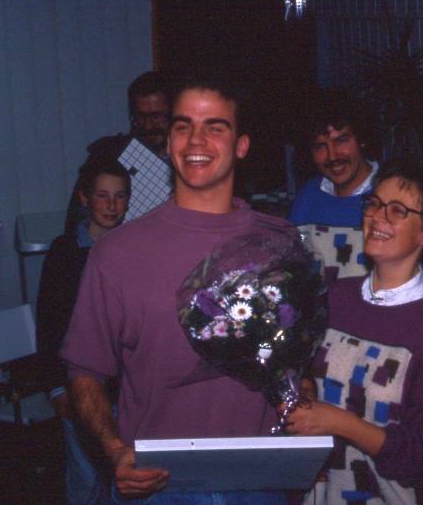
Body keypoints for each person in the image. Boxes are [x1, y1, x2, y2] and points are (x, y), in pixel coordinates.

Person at [60, 76, 294, 504]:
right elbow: (84, 372)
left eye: (215, 127)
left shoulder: (280, 244)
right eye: (183, 126)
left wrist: (299, 396)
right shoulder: (117, 253)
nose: (196, 140)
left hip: (257, 480)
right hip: (156, 483)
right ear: (169, 143)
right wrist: (114, 451)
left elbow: (295, 360)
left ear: (242, 145)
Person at [285, 156, 423, 504]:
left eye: (398, 210)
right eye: (374, 203)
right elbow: (304, 367)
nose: (377, 217)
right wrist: (306, 388)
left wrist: (340, 423)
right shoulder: (336, 298)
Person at [36, 158, 131, 505]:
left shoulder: (134, 248)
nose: (111, 205)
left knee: (127, 476)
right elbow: (49, 323)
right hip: (80, 389)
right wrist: (56, 386)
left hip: (126, 388)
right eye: (102, 195)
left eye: (119, 196)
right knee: (86, 477)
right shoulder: (65, 253)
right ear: (84, 198)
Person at [287, 88, 380, 285]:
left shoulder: (391, 196)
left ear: (361, 140)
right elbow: (296, 270)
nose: (332, 156)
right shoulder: (307, 198)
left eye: (341, 141)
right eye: (320, 146)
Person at [64, 71, 171, 234]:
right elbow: (78, 217)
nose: (148, 125)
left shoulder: (189, 160)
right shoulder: (108, 154)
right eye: (141, 116)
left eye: (156, 116)